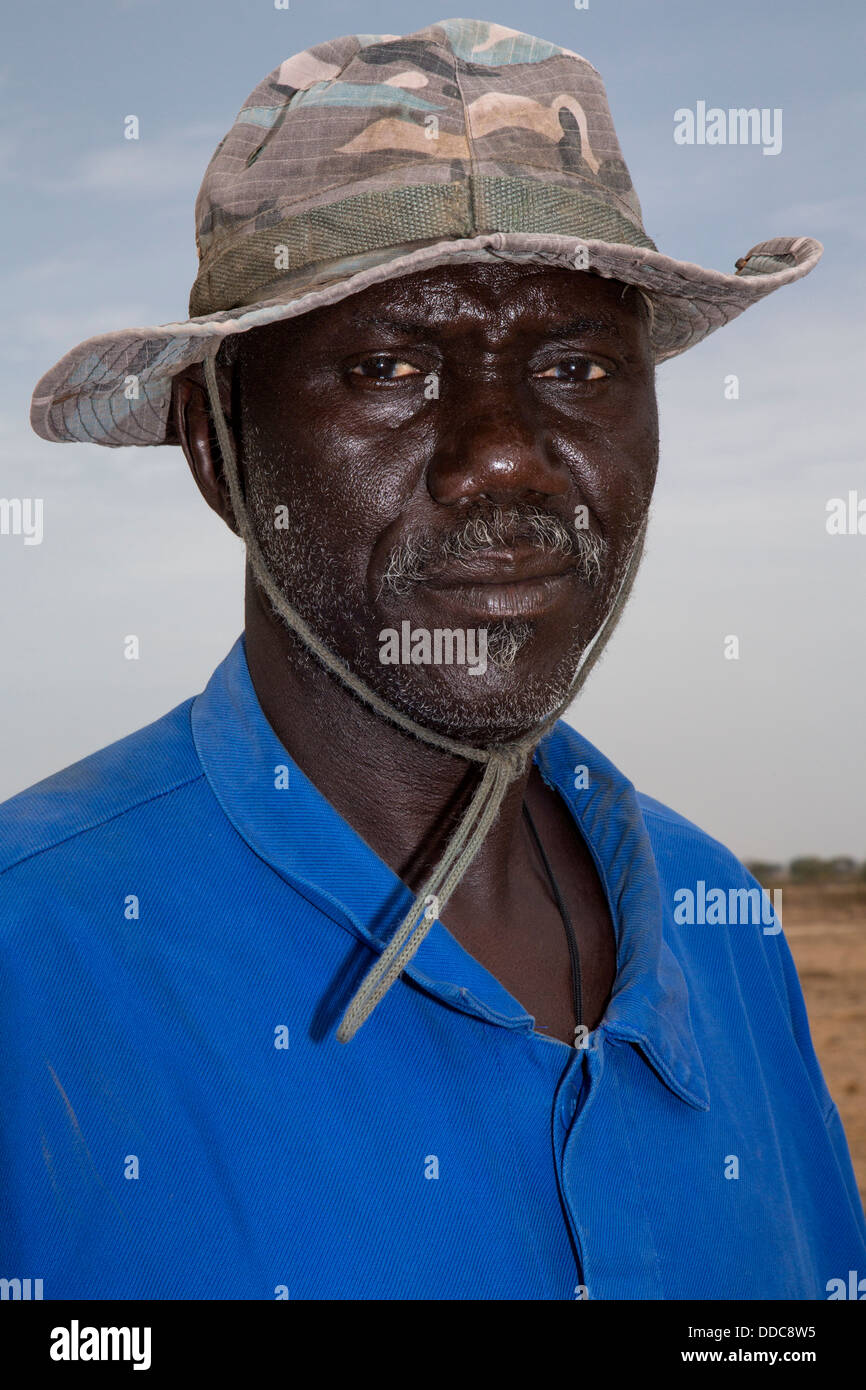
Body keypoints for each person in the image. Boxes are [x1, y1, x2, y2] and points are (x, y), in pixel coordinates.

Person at [5, 19, 864, 1300]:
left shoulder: (715, 919)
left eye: (574, 366)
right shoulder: (36, 958)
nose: (503, 457)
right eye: (389, 366)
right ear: (213, 446)